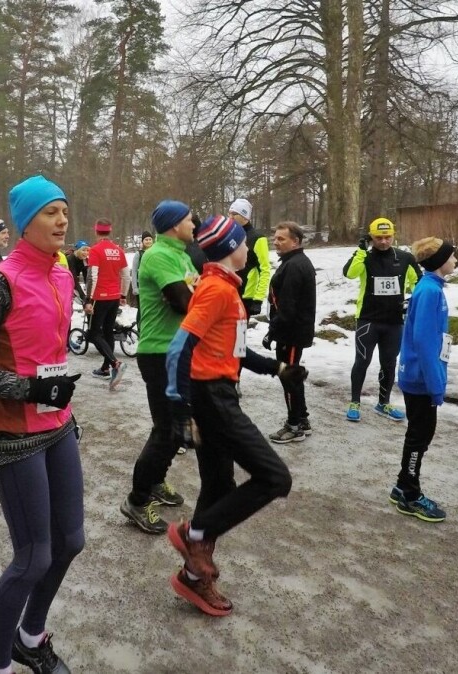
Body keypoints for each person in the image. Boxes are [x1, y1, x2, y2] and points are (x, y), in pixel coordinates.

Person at [0, 175, 83, 674]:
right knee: (33, 558)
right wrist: (31, 390)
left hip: (58, 423)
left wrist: (59, 399)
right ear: (25, 223)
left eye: (65, 210)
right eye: (50, 212)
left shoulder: (63, 275)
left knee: (71, 541)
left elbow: (49, 357)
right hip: (12, 430)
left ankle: (30, 636)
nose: (62, 220)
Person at [164, 215, 305, 617]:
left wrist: (278, 369)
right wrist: (181, 408)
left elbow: (235, 350)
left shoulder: (226, 290)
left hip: (220, 393)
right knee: (275, 477)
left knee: (218, 488)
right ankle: (192, 534)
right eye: (245, 242)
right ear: (231, 248)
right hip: (212, 399)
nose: (250, 248)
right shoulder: (215, 291)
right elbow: (179, 348)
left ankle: (192, 579)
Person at [119, 201, 198, 534]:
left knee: (175, 429)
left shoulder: (182, 254)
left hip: (178, 350)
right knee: (165, 429)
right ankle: (137, 500)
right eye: (189, 219)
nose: (195, 223)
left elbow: (193, 297)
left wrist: (193, 292)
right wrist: (192, 293)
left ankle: (155, 482)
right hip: (159, 352)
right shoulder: (160, 255)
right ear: (173, 225)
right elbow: (186, 301)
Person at [392, 237, 456, 523]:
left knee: (419, 434)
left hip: (421, 375)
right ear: (439, 261)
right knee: (420, 436)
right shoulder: (430, 290)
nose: (455, 260)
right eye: (451, 256)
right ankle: (409, 493)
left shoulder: (432, 287)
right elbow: (425, 341)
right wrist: (435, 384)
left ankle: (402, 484)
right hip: (421, 378)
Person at [342, 217, 421, 423]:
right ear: (370, 237)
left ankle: (383, 403)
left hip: (394, 321)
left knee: (389, 363)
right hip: (368, 319)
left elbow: (418, 283)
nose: (384, 242)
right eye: (378, 238)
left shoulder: (405, 258)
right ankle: (354, 403)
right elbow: (350, 274)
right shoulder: (365, 257)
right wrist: (360, 250)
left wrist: (413, 301)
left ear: (393, 236)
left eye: (388, 237)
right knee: (362, 361)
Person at [264, 221, 317, 442]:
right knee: (292, 377)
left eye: (281, 239)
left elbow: (287, 306)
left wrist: (272, 331)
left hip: (292, 333)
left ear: (295, 241)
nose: (276, 242)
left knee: (289, 378)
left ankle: (294, 425)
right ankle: (302, 419)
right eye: (275, 238)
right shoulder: (291, 262)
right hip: (290, 331)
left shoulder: (295, 265)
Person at [85, 219, 129, 388]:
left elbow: (92, 276)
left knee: (94, 333)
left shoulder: (95, 250)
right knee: (108, 332)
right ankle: (105, 368)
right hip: (114, 296)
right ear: (110, 231)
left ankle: (114, 364)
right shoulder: (119, 250)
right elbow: (125, 275)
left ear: (96, 231)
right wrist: (123, 294)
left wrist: (89, 299)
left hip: (100, 297)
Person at [228, 198, 270, 316]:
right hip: (228, 293)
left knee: (239, 333)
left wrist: (258, 299)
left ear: (245, 216)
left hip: (246, 296)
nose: (230, 217)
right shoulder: (231, 234)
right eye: (229, 213)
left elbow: (265, 269)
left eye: (234, 214)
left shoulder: (258, 238)